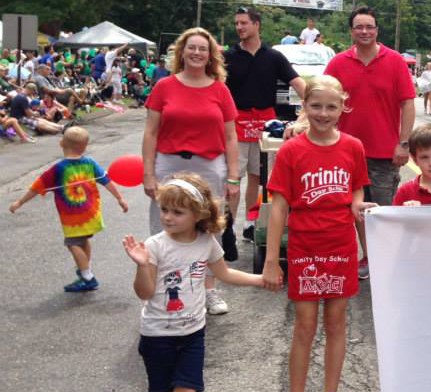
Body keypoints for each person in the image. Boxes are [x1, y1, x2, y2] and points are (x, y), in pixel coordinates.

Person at [121, 174, 263, 392]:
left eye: (177, 212)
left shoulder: (205, 243)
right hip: (157, 335)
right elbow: (144, 293)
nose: (168, 217)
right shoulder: (156, 246)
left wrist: (260, 280)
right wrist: (142, 266)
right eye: (165, 210)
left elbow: (224, 273)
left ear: (198, 214)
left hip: (192, 333)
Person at [263, 76, 375, 392]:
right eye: (316, 106)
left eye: (331, 107)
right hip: (305, 247)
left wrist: (366, 247)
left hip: (340, 245)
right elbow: (278, 205)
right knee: (304, 327)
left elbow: (357, 192)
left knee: (338, 324)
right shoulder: (292, 150)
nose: (323, 114)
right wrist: (271, 260)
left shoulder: (354, 146)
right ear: (304, 107)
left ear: (343, 106)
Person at [142, 27, 242, 314]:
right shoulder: (164, 87)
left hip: (209, 165)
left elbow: (231, 137)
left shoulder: (219, 89)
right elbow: (151, 132)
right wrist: (149, 173)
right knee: (164, 225)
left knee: (210, 226)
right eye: (192, 47)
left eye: (202, 49)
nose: (197, 53)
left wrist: (233, 176)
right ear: (182, 52)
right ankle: (159, 291)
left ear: (210, 55)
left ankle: (209, 290)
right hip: (169, 163)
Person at [324, 5, 416, 280]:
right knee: (354, 209)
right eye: (359, 27)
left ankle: (387, 260)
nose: (364, 31)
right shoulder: (338, 63)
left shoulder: (395, 60)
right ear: (351, 31)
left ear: (377, 30)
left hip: (384, 152)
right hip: (345, 150)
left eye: (370, 27)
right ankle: (368, 257)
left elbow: (408, 103)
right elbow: (321, 98)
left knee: (384, 210)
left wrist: (404, 142)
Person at [9, 127, 129, 291]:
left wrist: (19, 202)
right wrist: (120, 198)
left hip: (74, 218)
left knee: (72, 243)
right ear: (85, 147)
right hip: (91, 213)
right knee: (84, 240)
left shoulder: (58, 169)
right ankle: (85, 269)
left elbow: (36, 188)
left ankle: (88, 277)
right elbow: (107, 181)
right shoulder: (90, 163)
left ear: (61, 143)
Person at [225, 6, 306, 245]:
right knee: (232, 179)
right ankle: (226, 228)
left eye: (244, 23)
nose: (239, 27)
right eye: (237, 23)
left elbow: (300, 85)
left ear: (256, 24)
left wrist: (310, 110)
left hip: (266, 126)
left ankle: (251, 222)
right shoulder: (227, 57)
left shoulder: (274, 57)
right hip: (236, 125)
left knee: (259, 178)